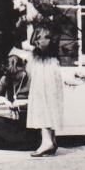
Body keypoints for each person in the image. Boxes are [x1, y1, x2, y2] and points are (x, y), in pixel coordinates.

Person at [0, 55, 41, 151]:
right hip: (12, 118)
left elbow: (39, 100)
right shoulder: (7, 78)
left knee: (30, 138)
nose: (14, 77)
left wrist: (23, 102)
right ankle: (9, 143)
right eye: (11, 75)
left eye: (16, 74)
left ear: (22, 68)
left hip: (27, 120)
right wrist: (3, 100)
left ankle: (14, 143)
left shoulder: (32, 79)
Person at [21, 23, 65, 157]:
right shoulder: (48, 28)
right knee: (48, 102)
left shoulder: (45, 30)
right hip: (47, 67)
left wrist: (28, 47)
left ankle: (47, 142)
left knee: (43, 103)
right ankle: (51, 140)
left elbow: (43, 47)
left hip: (45, 68)